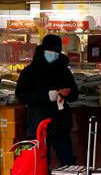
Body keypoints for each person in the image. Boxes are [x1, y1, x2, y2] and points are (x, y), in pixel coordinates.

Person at [15, 34, 78, 167]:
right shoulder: (30, 72)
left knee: (67, 160)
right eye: (51, 50)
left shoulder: (64, 70)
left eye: (57, 51)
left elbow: (74, 95)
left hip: (60, 123)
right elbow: (21, 95)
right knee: (39, 161)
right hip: (38, 123)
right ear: (43, 50)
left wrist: (68, 93)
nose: (54, 54)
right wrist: (46, 96)